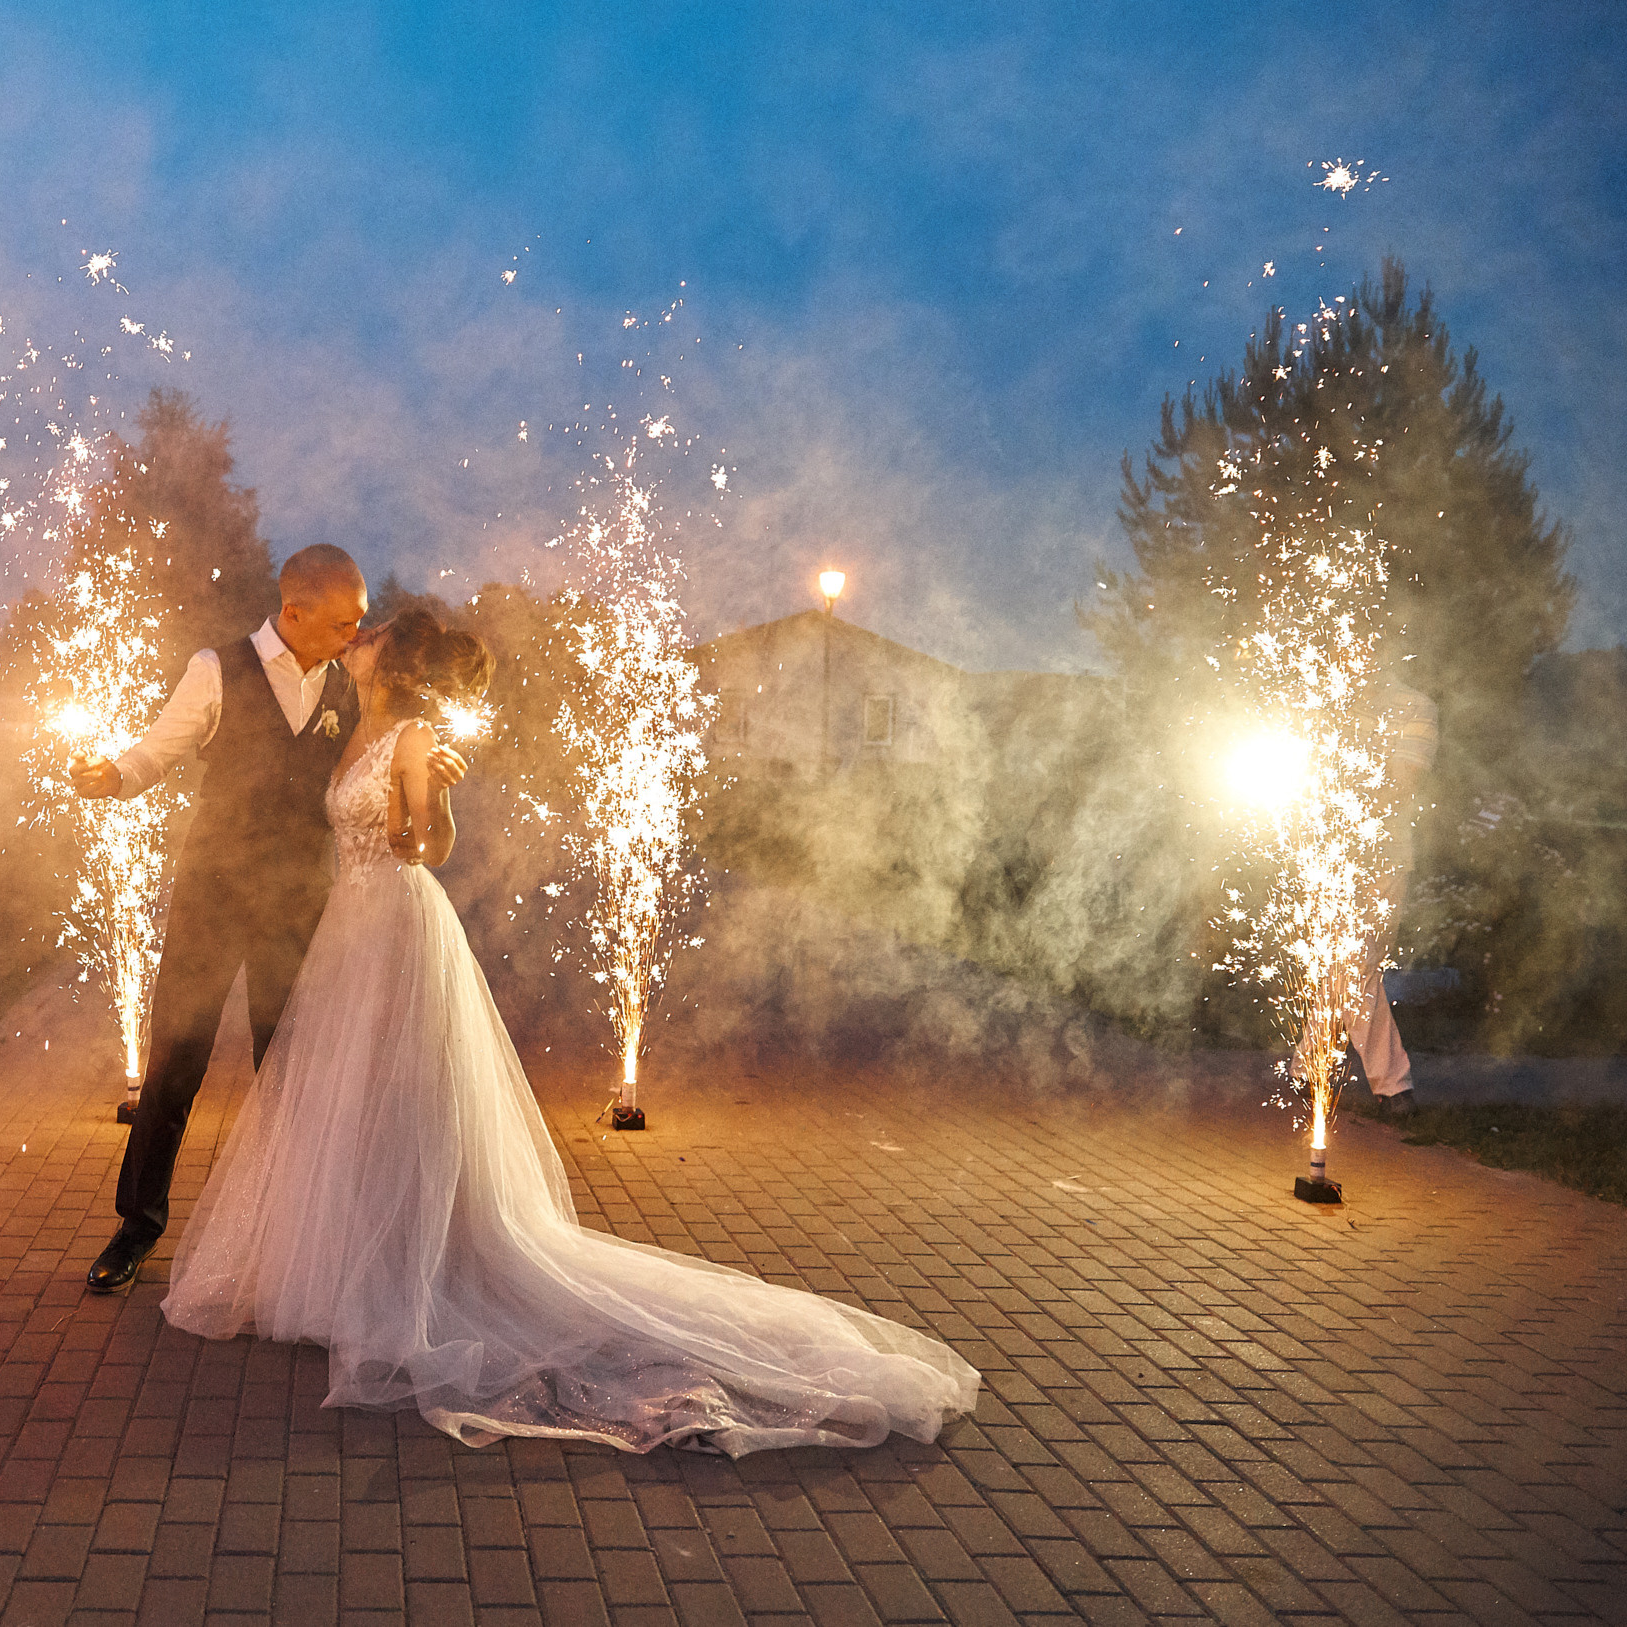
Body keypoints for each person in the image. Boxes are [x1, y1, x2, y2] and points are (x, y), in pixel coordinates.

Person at [161, 607, 980, 1456]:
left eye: (366, 637)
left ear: (387, 662)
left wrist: (431, 798)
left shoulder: (411, 736)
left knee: (398, 1095)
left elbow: (428, 847)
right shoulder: (354, 718)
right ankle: (350, 1269)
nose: (353, 641)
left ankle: (411, 1273)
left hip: (396, 925)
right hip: (346, 929)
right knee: (350, 1100)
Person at [74, 546, 465, 1293]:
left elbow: (387, 757)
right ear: (295, 614)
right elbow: (154, 754)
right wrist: (111, 777)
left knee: (288, 1064)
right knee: (175, 1056)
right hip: (214, 892)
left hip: (299, 902)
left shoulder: (348, 689)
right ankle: (138, 1225)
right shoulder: (214, 669)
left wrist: (432, 777)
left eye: (361, 622)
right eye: (344, 620)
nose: (356, 634)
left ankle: (291, 1231)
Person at [1303, 666, 1441, 1117]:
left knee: (1352, 964)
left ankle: (1365, 1080)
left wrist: (1346, 781)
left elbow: (1404, 782)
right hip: (1329, 853)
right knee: (1340, 963)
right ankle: (1331, 1071)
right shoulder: (1331, 701)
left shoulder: (1415, 707)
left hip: (1382, 858)